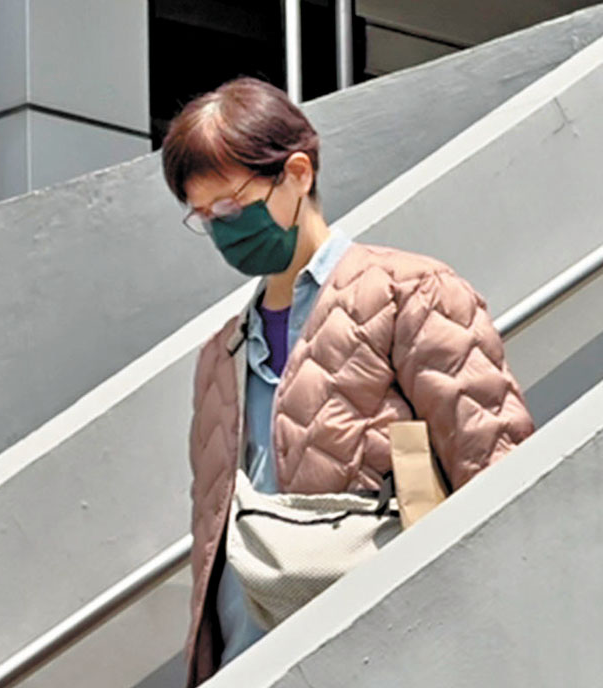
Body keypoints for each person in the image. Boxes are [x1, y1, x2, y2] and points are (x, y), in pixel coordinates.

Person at [161, 76, 535, 687]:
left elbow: (496, 468)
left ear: (297, 173)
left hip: (375, 655)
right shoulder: (220, 353)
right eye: (203, 216)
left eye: (229, 205)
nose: (222, 229)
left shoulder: (411, 293)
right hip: (243, 663)